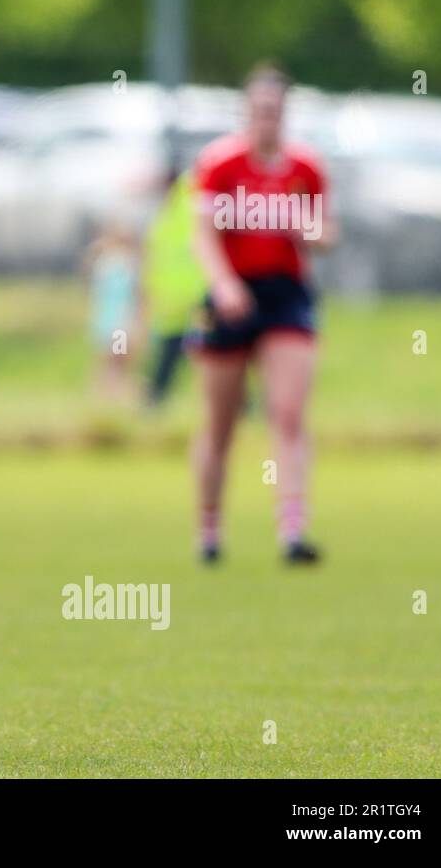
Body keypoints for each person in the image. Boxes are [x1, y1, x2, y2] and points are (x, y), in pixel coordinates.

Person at [187, 63, 337, 565]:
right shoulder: (219, 165)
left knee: (289, 413)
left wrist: (311, 231)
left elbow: (326, 233)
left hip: (285, 295)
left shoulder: (305, 169)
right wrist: (224, 286)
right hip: (230, 295)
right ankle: (209, 530)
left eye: (274, 111)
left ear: (285, 113)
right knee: (220, 422)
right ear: (246, 112)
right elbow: (203, 236)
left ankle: (292, 532)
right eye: (258, 110)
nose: (266, 119)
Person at [142, 168, 206, 407]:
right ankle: (154, 402)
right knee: (173, 354)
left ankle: (240, 405)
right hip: (174, 304)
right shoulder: (167, 214)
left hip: (195, 299)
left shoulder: (186, 209)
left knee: (212, 354)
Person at [85, 223, 140, 402]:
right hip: (119, 320)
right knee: (117, 360)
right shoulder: (122, 264)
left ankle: (107, 392)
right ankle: (113, 392)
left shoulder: (105, 263)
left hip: (109, 319)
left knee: (112, 359)